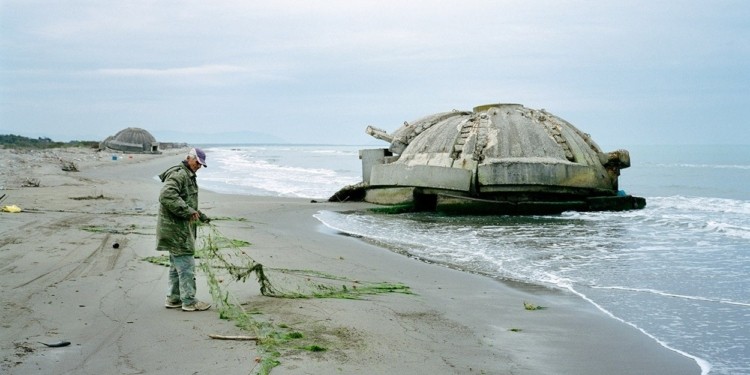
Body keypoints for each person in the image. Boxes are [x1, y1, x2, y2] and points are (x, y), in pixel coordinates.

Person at [156, 147, 212, 311]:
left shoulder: (188, 175)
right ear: (189, 158)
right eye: (198, 162)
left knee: (176, 266)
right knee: (187, 265)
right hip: (176, 230)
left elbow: (185, 201)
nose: (199, 166)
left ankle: (173, 299)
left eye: (201, 164)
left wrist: (199, 215)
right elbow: (166, 196)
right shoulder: (179, 174)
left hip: (177, 228)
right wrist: (188, 212)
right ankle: (189, 301)